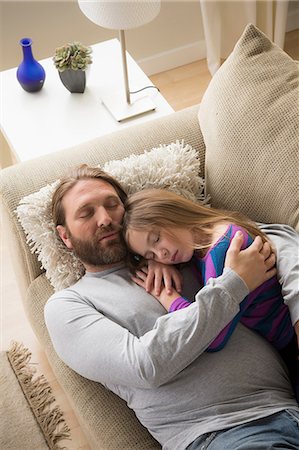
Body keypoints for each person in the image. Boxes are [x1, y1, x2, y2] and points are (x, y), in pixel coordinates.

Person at [45, 165, 299, 450]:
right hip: (221, 434)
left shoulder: (178, 249)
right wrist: (233, 284)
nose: (105, 219)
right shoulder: (68, 305)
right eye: (86, 213)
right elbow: (144, 366)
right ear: (65, 236)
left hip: (288, 402)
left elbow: (260, 236)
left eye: (112, 205)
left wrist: (152, 254)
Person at [123, 188, 299, 398]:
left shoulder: (224, 249)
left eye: (157, 238)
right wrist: (155, 262)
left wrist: (167, 296)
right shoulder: (203, 244)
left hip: (291, 342)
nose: (163, 254)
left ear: (172, 212)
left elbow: (212, 336)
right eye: (151, 254)